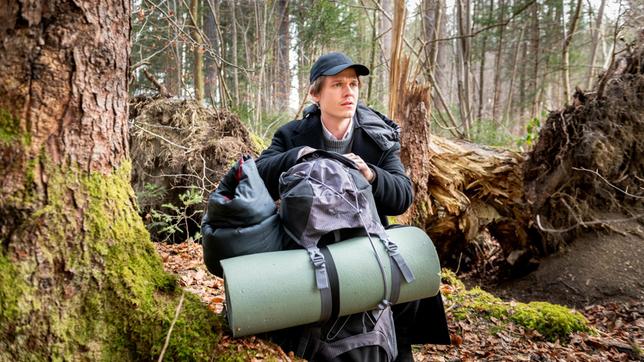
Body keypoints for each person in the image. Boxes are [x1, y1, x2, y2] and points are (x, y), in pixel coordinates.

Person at [255, 52, 449, 361]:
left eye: (353, 84)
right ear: (315, 94)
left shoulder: (377, 136)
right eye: (337, 85)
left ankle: (399, 346)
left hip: (367, 239)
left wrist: (371, 175)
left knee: (409, 258)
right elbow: (259, 172)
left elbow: (402, 195)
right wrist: (301, 156)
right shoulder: (292, 135)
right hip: (309, 243)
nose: (349, 92)